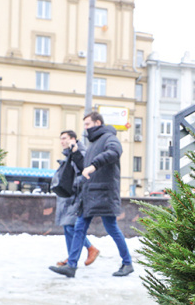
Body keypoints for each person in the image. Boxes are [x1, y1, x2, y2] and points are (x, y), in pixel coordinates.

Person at [49, 111, 133, 278]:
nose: (85, 128)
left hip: (104, 193)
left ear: (97, 123)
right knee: (79, 227)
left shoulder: (109, 138)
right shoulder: (93, 143)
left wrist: (94, 165)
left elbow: (115, 152)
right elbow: (84, 167)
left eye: (87, 124)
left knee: (111, 228)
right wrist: (75, 154)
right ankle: (71, 266)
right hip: (90, 193)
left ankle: (127, 262)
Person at [54, 130, 99, 267]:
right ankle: (71, 257)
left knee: (72, 226)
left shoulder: (80, 152)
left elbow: (85, 171)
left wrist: (73, 186)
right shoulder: (68, 153)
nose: (62, 141)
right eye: (61, 139)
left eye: (65, 138)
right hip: (68, 195)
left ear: (73, 139)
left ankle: (91, 248)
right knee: (67, 226)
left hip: (77, 195)